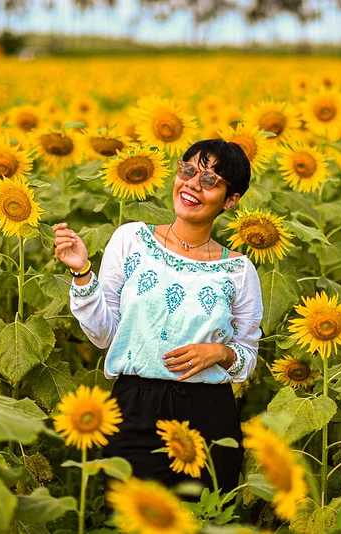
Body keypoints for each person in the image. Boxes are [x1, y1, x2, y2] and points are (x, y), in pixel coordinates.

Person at [53, 139, 264, 505]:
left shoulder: (239, 270)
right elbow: (105, 335)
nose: (192, 185)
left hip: (207, 414)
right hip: (135, 406)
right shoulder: (131, 240)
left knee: (203, 521)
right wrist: (83, 273)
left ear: (230, 200)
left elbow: (247, 357)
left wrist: (219, 352)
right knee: (132, 516)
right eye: (187, 171)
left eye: (210, 180)